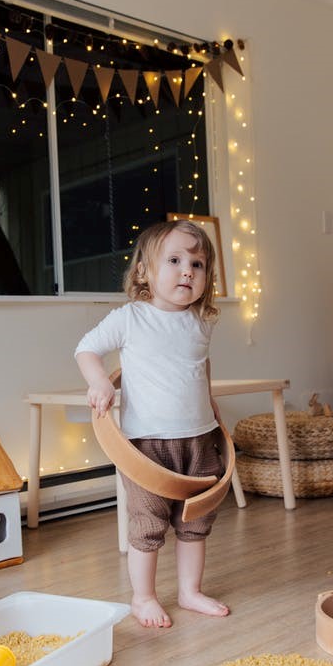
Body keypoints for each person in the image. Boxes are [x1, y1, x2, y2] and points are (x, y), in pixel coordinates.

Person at [75, 219, 230, 628]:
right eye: (175, 260)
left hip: (200, 439)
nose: (187, 271)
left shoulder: (200, 321)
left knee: (196, 520)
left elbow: (200, 367)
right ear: (144, 270)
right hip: (147, 446)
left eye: (198, 264)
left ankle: (190, 591)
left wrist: (211, 407)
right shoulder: (131, 318)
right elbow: (87, 349)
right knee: (148, 522)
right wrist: (99, 385)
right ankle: (142, 598)